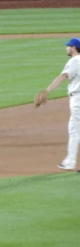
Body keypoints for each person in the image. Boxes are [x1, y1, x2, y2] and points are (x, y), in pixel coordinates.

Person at [34, 37, 80, 171]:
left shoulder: (74, 61)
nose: (66, 48)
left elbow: (62, 77)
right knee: (73, 130)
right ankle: (70, 161)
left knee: (77, 130)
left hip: (77, 99)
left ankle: (70, 161)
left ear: (73, 48)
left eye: (68, 46)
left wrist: (47, 90)